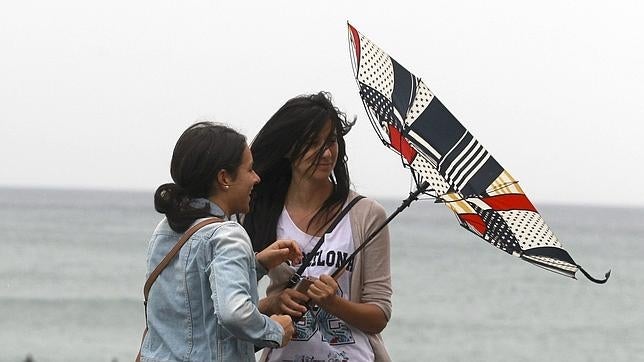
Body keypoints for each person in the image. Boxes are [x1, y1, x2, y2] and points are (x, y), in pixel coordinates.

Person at [243, 92, 393, 361]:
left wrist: (333, 302)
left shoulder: (367, 215)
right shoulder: (261, 212)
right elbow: (233, 304)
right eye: (313, 143)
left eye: (331, 141)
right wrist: (273, 303)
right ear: (288, 148)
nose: (326, 153)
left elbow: (379, 316)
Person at [139, 122, 302, 362]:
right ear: (224, 178)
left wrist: (256, 264)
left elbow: (192, 295)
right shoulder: (228, 235)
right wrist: (275, 330)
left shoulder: (164, 230)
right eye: (249, 170)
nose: (256, 178)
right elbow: (234, 313)